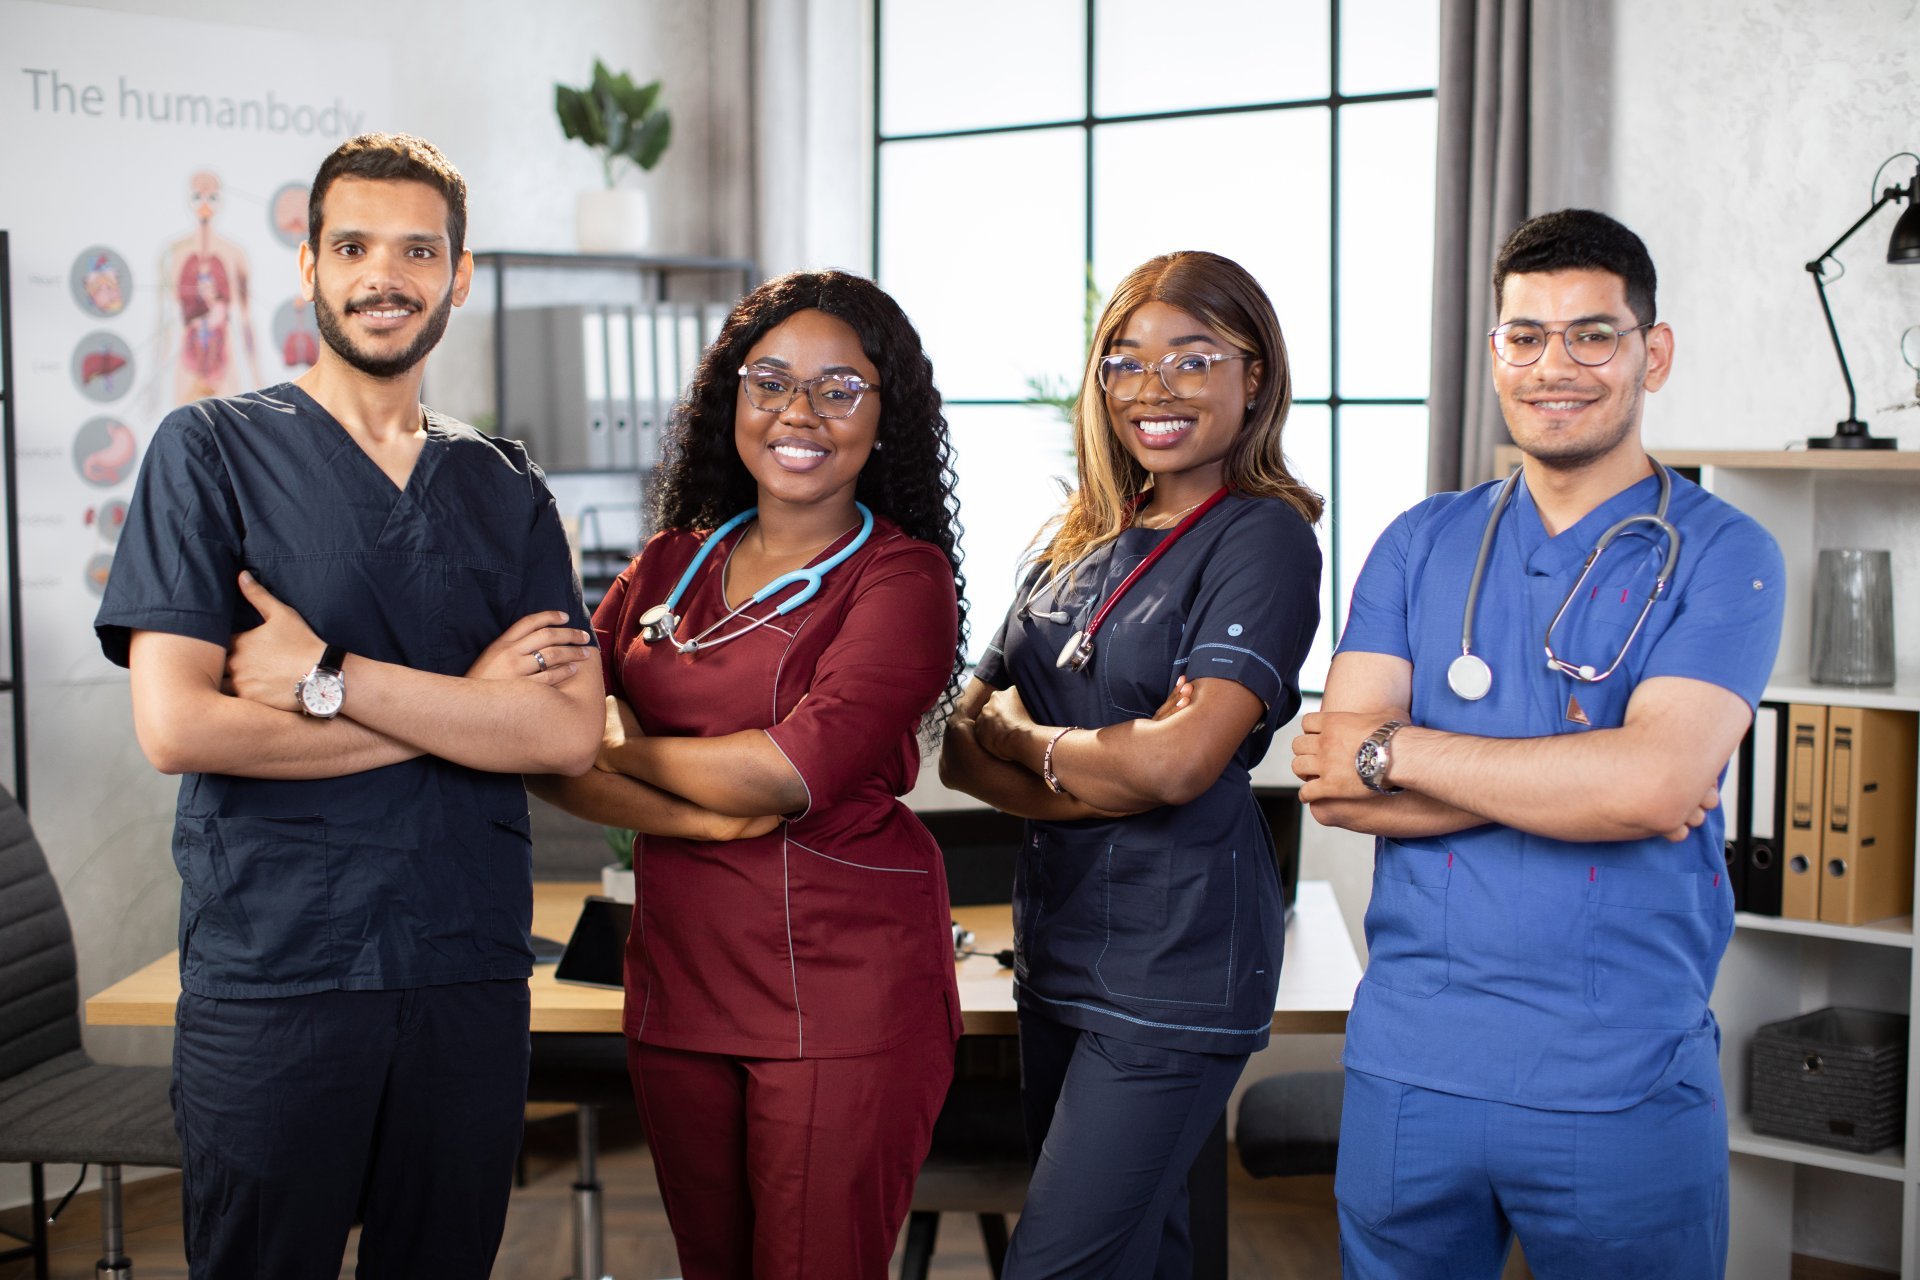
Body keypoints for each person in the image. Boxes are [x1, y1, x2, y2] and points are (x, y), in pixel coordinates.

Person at [94, 133, 616, 1279]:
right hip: (282, 974)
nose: (387, 274)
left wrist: (329, 681)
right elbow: (181, 726)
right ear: (310, 267)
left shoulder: (506, 486)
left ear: (459, 274)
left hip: (465, 969)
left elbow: (565, 730)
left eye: (418, 249)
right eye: (355, 246)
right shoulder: (210, 451)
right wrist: (469, 708)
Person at [1293, 209, 1786, 1278]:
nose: (1554, 365)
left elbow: (1653, 787)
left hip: (1617, 1082)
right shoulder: (1422, 540)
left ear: (1652, 352)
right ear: (1494, 352)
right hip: (1409, 1074)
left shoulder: (1725, 551)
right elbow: (1335, 774)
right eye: (1526, 336)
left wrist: (1406, 749)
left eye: (1592, 335)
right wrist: (1587, 773)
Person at [529, 270, 969, 1280]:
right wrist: (692, 811)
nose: (797, 413)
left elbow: (786, 771)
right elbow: (549, 746)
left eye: (838, 387)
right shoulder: (668, 564)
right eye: (768, 380)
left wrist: (624, 748)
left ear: (886, 412)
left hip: (839, 981)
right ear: (730, 396)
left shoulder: (902, 580)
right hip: (680, 980)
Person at [940, 250, 1322, 1278]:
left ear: (1256, 375)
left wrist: (1037, 744)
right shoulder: (1072, 540)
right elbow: (959, 747)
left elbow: (1179, 764)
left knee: (1055, 1263)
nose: (1154, 388)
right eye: (1124, 362)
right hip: (1058, 950)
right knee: (1154, 1254)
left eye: (1193, 358)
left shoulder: (1264, 538)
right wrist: (1092, 783)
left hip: (1177, 964)